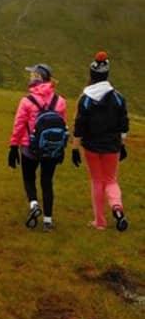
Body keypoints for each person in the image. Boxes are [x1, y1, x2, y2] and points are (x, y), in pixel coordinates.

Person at [72, 51, 129, 231]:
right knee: (111, 180)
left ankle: (100, 221)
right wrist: (122, 144)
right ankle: (117, 208)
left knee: (97, 181)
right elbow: (124, 125)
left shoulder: (86, 99)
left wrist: (75, 147)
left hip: (91, 146)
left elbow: (79, 125)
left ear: (92, 75)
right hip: (112, 145)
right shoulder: (118, 98)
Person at [8, 64, 67, 232]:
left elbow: (19, 125)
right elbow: (64, 126)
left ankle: (34, 205)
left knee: (29, 178)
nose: (30, 77)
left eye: (32, 74)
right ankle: (48, 220)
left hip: (29, 148)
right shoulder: (60, 101)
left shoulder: (27, 101)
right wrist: (62, 149)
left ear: (37, 78)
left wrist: (13, 146)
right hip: (52, 149)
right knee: (47, 182)